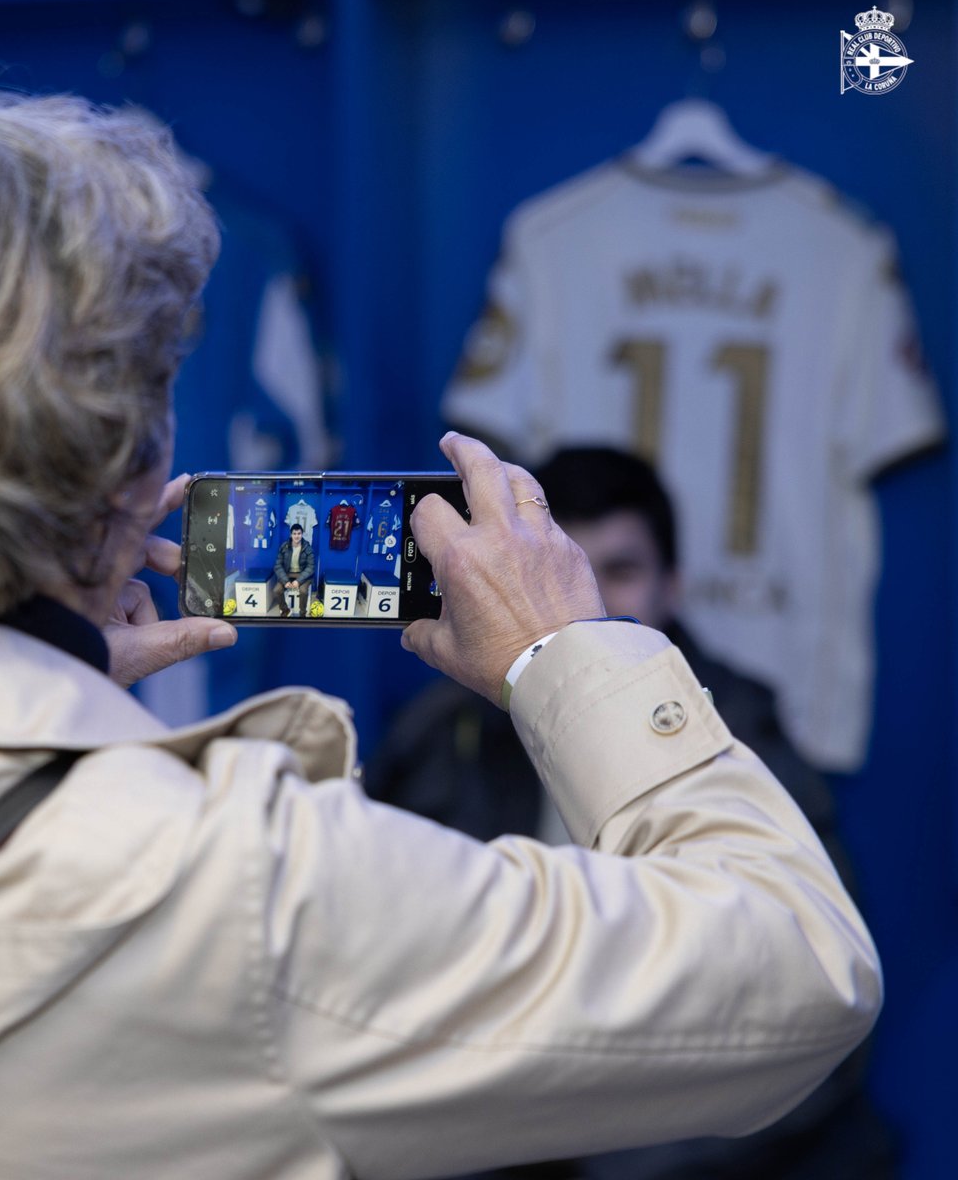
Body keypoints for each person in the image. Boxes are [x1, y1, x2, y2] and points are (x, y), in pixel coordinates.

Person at [0, 94, 881, 1180]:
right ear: (131, 472)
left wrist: (56, 676)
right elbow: (798, 972)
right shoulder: (240, 887)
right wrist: (568, 652)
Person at [370, 446, 895, 1178]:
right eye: (560, 573)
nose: (583, 604)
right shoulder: (440, 733)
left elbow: (816, 1004)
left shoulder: (736, 727)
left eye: (616, 572)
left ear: (673, 586)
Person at [274, 521, 316, 616]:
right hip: (288, 574)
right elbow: (278, 565)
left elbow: (311, 567)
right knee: (276, 590)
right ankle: (285, 610)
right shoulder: (284, 547)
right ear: (291, 534)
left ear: (302, 534)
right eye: (294, 534)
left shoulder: (308, 548)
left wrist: (299, 581)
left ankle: (302, 614)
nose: (297, 536)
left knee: (303, 591)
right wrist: (285, 581)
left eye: (299, 533)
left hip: (302, 575)